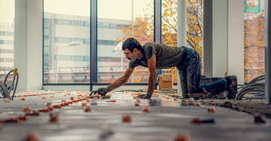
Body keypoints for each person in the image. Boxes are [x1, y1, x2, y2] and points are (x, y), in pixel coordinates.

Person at [93, 37, 237, 99]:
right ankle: (226, 83)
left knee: (193, 90)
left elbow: (152, 73)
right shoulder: (135, 60)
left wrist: (149, 94)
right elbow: (124, 78)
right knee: (189, 96)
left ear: (136, 50)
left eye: (127, 54)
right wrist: (106, 89)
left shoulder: (149, 48)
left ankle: (228, 82)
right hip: (181, 64)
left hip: (189, 56)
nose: (126, 57)